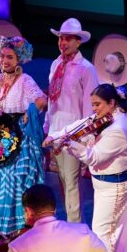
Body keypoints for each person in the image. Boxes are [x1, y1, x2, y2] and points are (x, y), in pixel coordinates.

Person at [47, 84, 127, 252]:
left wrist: (69, 144)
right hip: (109, 183)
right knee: (122, 226)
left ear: (112, 103)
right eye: (93, 105)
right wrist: (56, 136)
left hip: (117, 184)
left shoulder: (119, 128)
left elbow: (94, 157)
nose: (94, 110)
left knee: (103, 228)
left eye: (97, 104)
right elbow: (82, 124)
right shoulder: (107, 117)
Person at [0, 36, 48, 235]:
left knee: (15, 181)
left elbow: (42, 100)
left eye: (10, 57)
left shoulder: (25, 81)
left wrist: (27, 114)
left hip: (19, 139)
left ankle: (18, 226)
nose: (5, 61)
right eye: (3, 56)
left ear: (19, 60)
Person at [45, 18, 100, 223]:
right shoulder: (56, 64)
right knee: (62, 180)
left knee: (71, 182)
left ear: (78, 42)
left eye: (68, 38)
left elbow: (90, 107)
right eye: (61, 38)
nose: (63, 42)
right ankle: (73, 224)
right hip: (55, 131)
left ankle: (75, 228)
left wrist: (86, 137)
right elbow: (52, 99)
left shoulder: (86, 69)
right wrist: (47, 127)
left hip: (74, 134)